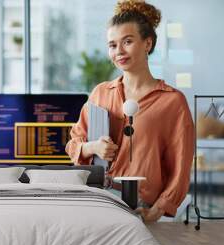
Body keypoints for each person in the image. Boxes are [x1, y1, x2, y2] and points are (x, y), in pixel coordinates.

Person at [65, 0, 194, 222]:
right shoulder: (100, 93)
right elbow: (73, 145)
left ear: (147, 43)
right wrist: (93, 147)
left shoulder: (173, 102)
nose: (119, 51)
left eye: (127, 41)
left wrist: (157, 210)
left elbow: (181, 166)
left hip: (143, 209)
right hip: (100, 201)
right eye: (112, 45)